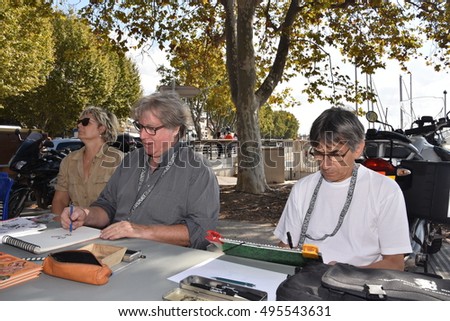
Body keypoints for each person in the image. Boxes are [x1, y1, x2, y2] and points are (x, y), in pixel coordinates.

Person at [60, 92, 220, 250]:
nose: (142, 135)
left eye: (151, 128)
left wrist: (139, 231)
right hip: (114, 252)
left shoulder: (198, 170)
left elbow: (201, 232)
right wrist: (86, 215)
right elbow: (107, 206)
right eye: (140, 127)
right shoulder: (131, 160)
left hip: (162, 263)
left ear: (175, 129)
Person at [274, 107, 412, 271]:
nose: (325, 164)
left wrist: (341, 274)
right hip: (306, 285)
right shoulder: (302, 188)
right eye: (318, 153)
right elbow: (285, 248)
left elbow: (395, 264)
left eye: (335, 155)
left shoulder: (385, 191)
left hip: (357, 288)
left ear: (358, 148)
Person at [52, 107, 123, 215]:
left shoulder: (119, 160)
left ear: (101, 129)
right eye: (79, 122)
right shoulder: (69, 161)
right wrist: (59, 224)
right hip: (76, 228)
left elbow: (125, 204)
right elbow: (60, 200)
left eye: (85, 122)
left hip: (109, 228)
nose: (79, 125)